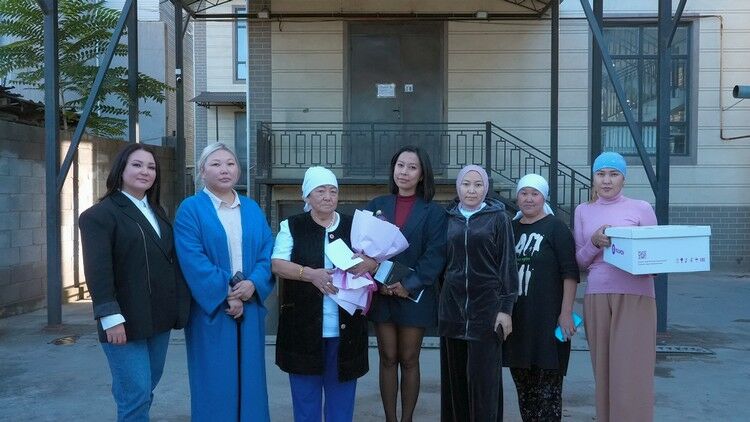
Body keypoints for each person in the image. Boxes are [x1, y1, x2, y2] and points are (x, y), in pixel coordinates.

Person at [79, 143, 190, 421]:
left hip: (158, 317)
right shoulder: (99, 215)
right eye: (137, 165)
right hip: (124, 320)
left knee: (145, 386)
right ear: (121, 170)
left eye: (151, 167)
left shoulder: (156, 211)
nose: (145, 171)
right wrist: (110, 317)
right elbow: (98, 271)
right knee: (136, 392)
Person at [174, 143, 275, 422]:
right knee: (215, 380)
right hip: (212, 309)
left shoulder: (251, 208)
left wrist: (253, 283)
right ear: (202, 171)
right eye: (216, 164)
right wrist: (227, 293)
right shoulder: (191, 209)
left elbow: (267, 250)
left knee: (251, 381)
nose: (224, 170)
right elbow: (192, 257)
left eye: (230, 164)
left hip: (250, 303)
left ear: (238, 170)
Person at [271, 166, 373, 422]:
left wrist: (370, 263)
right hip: (303, 327)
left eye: (332, 191)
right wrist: (310, 274)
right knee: (306, 400)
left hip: (346, 328)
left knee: (342, 401)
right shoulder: (292, 226)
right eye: (320, 191)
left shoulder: (354, 225)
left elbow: (375, 260)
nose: (328, 196)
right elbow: (278, 265)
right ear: (307, 195)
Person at [574, 152, 658, 422]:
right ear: (593, 178)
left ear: (624, 178)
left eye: (613, 174)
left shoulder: (641, 208)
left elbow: (656, 257)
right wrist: (594, 242)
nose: (607, 180)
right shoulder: (582, 211)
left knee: (632, 370)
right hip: (597, 295)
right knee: (604, 370)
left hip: (636, 295)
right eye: (601, 174)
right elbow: (579, 260)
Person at [367, 146, 447, 422]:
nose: (404, 172)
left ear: (422, 174)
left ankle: (407, 419)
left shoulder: (434, 212)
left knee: (409, 359)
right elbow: (363, 248)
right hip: (381, 292)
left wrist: (407, 284)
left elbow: (435, 255)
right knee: (387, 357)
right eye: (400, 165)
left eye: (412, 167)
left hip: (414, 295)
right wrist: (378, 281)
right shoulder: (376, 205)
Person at [438, 165, 518, 422]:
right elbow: (440, 264)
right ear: (458, 187)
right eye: (466, 184)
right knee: (455, 386)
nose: (471, 190)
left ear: (486, 188)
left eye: (478, 184)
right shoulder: (447, 217)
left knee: (484, 385)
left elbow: (508, 264)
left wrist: (506, 308)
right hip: (452, 312)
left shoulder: (499, 218)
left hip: (487, 312)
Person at [503, 173, 580, 421]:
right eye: (524, 193)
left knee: (548, 395)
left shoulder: (556, 228)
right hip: (518, 323)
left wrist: (565, 313)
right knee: (525, 394)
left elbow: (570, 273)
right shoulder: (510, 228)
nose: (528, 199)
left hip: (548, 323)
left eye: (534, 194)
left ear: (543, 197)